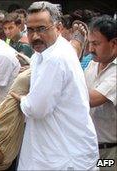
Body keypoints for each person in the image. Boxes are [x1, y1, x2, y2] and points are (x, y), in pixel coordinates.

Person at [10, 1, 99, 170]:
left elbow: (37, 108)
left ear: (58, 28)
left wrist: (23, 99)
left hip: (63, 156)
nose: (35, 36)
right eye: (30, 30)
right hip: (58, 152)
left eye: (42, 29)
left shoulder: (55, 58)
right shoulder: (45, 53)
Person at [85, 15, 116, 171]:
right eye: (90, 43)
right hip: (88, 149)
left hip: (108, 154)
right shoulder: (91, 64)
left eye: (96, 44)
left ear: (114, 43)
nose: (91, 49)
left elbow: (92, 99)